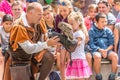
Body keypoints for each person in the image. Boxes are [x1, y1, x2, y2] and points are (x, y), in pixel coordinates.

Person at [3, 2, 60, 80]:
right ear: (30, 13)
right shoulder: (19, 27)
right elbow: (28, 49)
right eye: (39, 14)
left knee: (49, 57)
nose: (41, 17)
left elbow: (44, 40)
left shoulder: (40, 22)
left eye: (41, 14)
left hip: (33, 56)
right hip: (19, 61)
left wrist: (51, 47)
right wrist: (47, 44)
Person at [88, 13, 118, 80]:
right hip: (96, 50)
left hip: (107, 50)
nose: (104, 23)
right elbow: (91, 44)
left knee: (115, 56)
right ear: (96, 21)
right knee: (97, 56)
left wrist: (106, 50)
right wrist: (100, 50)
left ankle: (112, 76)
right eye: (102, 22)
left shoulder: (108, 30)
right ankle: (98, 76)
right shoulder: (91, 31)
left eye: (105, 21)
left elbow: (111, 44)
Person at [65, 11, 92, 80]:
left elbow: (78, 42)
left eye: (72, 24)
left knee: (79, 77)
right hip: (73, 58)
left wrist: (69, 42)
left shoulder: (79, 33)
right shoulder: (73, 33)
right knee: (73, 77)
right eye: (69, 24)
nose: (70, 26)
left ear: (78, 23)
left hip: (79, 58)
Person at [0, 14, 13, 80]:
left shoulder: (14, 29)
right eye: (6, 23)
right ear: (2, 23)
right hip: (2, 50)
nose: (8, 25)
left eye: (10, 23)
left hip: (11, 49)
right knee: (1, 60)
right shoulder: (0, 30)